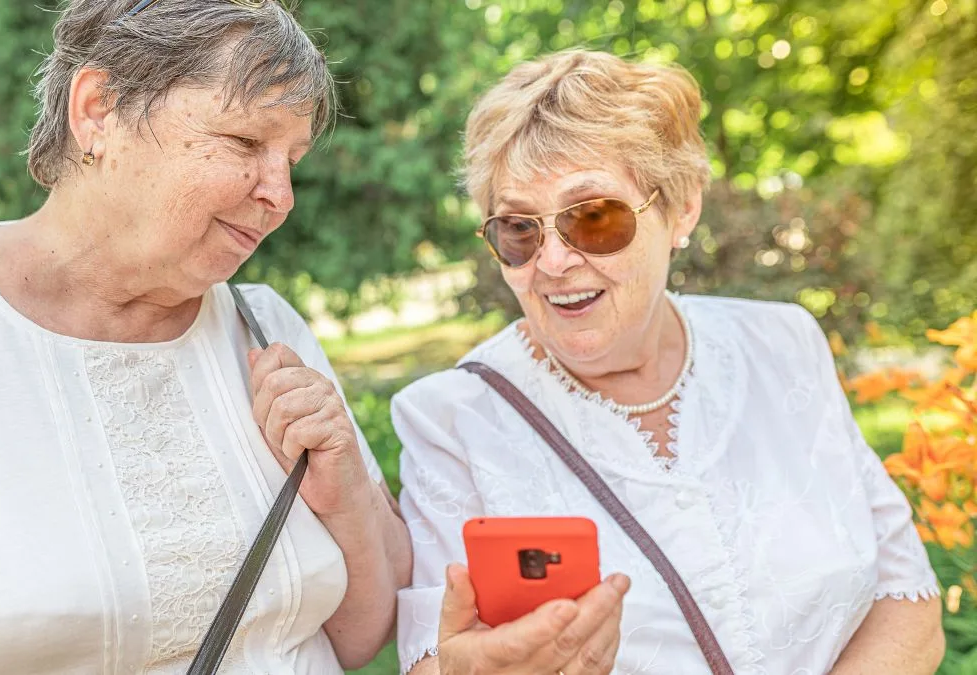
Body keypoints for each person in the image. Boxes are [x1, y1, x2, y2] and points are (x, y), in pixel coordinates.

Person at [0, 1, 410, 673]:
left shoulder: (268, 326)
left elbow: (363, 636)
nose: (281, 195)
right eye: (246, 143)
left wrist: (344, 493)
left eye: (293, 158)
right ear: (99, 109)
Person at [393, 49, 944, 674]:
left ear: (682, 207)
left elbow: (908, 600)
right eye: (519, 229)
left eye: (593, 218)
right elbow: (432, 658)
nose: (551, 262)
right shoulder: (450, 419)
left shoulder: (783, 343)